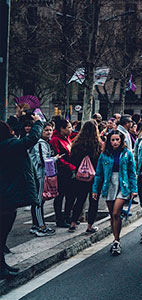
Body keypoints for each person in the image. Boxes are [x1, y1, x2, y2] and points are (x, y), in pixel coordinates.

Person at [0, 114, 42, 279]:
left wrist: (15, 117)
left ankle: (2, 265)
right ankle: (1, 268)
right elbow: (31, 139)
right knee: (2, 232)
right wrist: (38, 122)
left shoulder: (5, 144)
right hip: (6, 195)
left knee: (2, 234)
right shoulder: (9, 145)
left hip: (6, 194)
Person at [91, 130, 137, 256]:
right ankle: (115, 238)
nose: (115, 142)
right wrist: (95, 189)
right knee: (112, 215)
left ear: (121, 140)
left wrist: (134, 189)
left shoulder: (127, 154)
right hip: (109, 184)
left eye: (117, 139)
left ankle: (117, 240)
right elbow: (99, 173)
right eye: (113, 140)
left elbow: (132, 172)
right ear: (109, 141)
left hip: (123, 184)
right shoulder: (104, 155)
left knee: (117, 212)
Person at [67, 120, 102, 233]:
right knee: (93, 202)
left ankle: (73, 223)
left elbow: (71, 158)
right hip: (95, 178)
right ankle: (90, 226)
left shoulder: (77, 143)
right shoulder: (98, 145)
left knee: (79, 200)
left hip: (80, 177)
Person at [28, 121, 57, 236]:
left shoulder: (44, 143)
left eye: (50, 130)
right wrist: (55, 158)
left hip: (39, 174)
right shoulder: (40, 143)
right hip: (40, 175)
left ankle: (36, 225)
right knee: (39, 202)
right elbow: (42, 160)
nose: (49, 132)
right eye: (46, 130)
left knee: (39, 201)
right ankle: (41, 226)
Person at [49, 118, 75, 228]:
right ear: (62, 129)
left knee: (71, 195)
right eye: (68, 127)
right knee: (60, 196)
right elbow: (58, 158)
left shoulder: (67, 138)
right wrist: (71, 166)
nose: (71, 129)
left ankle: (67, 216)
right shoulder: (55, 140)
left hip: (69, 172)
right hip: (61, 172)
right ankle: (59, 219)